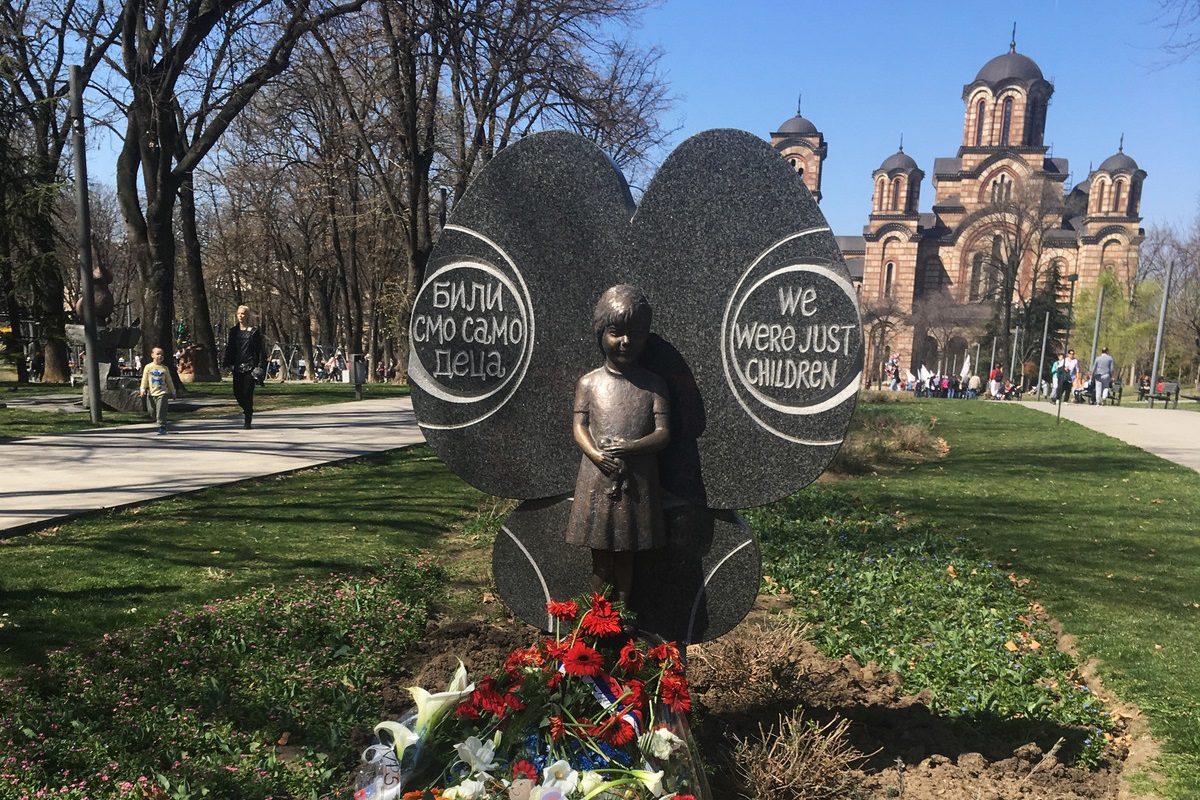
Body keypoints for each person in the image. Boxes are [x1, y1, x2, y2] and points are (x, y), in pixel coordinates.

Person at [565, 285, 669, 605]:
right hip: (597, 478)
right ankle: (598, 616)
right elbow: (579, 427)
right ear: (601, 333)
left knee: (627, 553)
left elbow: (664, 433)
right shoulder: (589, 383)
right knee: (601, 554)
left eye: (635, 334)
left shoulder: (654, 385)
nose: (626, 342)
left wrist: (632, 447)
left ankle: (624, 615)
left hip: (637, 482)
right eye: (616, 332)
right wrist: (597, 454)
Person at [222, 304, 267, 429]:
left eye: (243, 313)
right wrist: (226, 362)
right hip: (237, 366)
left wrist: (260, 366)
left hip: (250, 367)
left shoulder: (254, 332)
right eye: (238, 313)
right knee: (237, 392)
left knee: (247, 393)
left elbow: (259, 351)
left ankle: (248, 420)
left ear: (247, 315)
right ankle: (248, 409)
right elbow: (230, 348)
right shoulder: (233, 331)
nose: (240, 316)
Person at [139, 346, 178, 435]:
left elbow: (169, 381)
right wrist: (142, 389)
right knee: (152, 412)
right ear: (152, 355)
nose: (160, 356)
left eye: (162, 354)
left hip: (162, 393)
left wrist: (173, 392)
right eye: (158, 354)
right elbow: (144, 379)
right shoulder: (148, 367)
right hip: (151, 393)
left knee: (161, 410)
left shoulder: (164, 368)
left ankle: (162, 426)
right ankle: (158, 420)